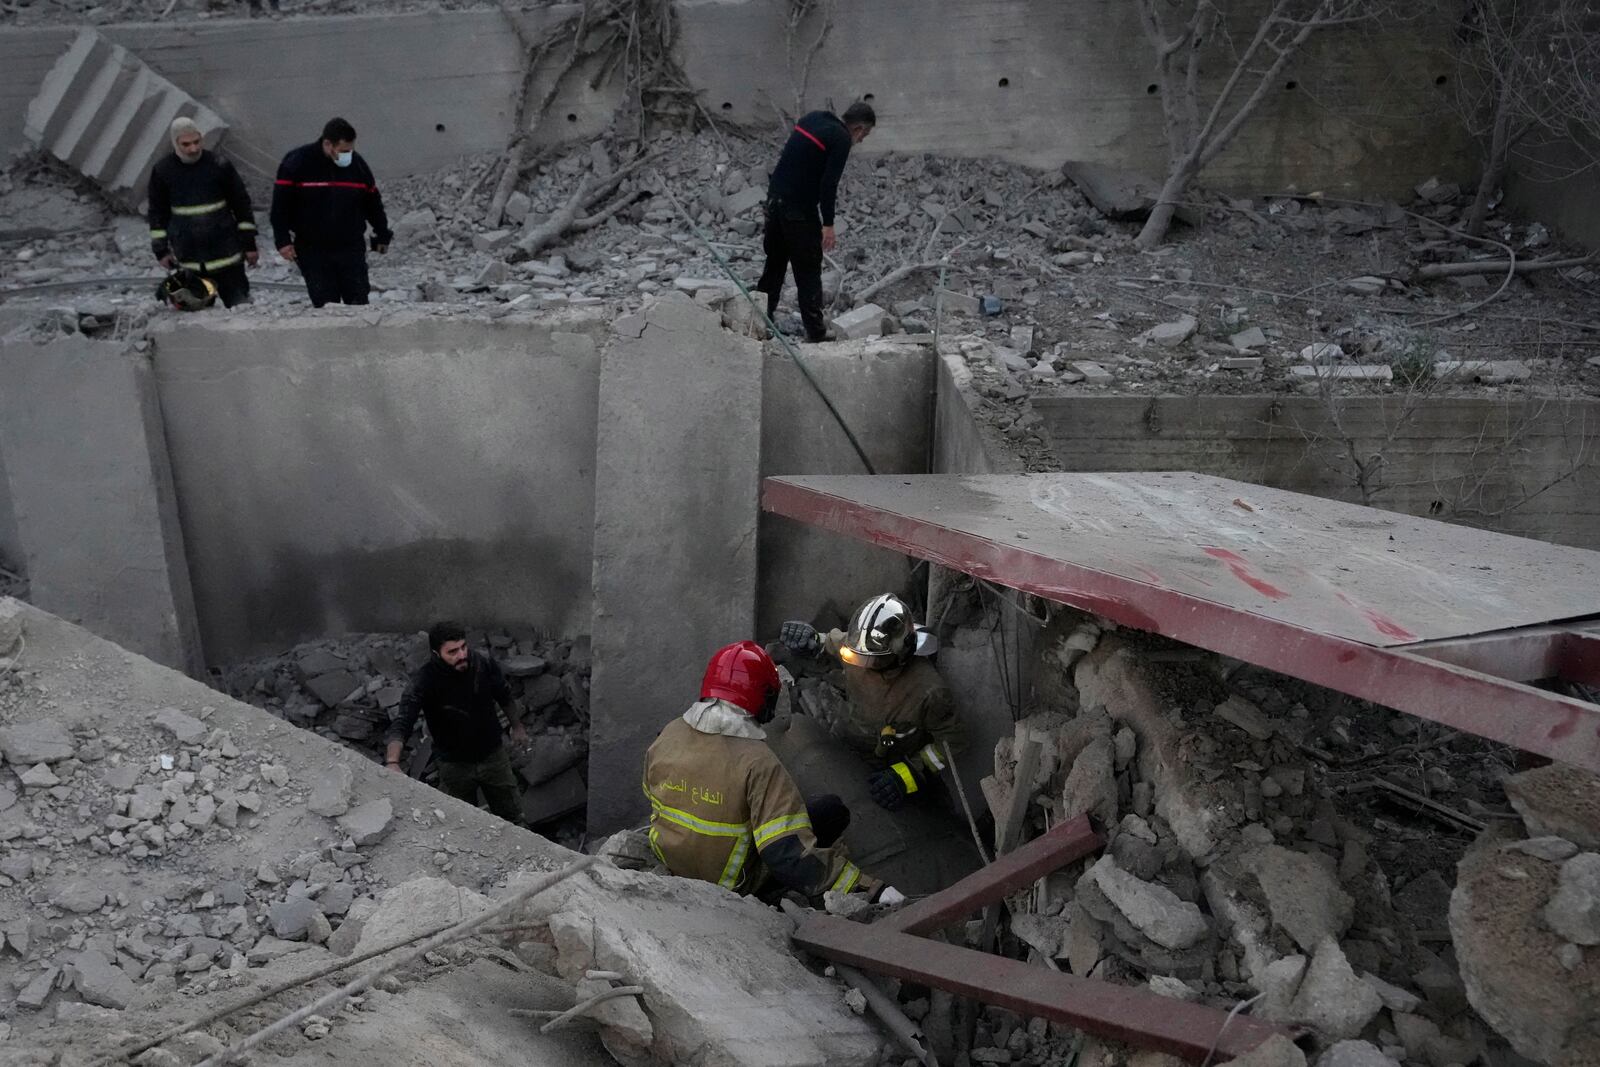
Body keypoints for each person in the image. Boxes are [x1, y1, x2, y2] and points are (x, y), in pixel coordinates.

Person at [643, 640, 903, 905]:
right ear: (761, 696)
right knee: (830, 812)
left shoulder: (668, 735)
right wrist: (869, 889)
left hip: (673, 861)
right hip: (730, 882)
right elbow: (787, 855)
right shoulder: (758, 763)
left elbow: (654, 797)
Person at [780, 593, 965, 812]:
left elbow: (954, 742)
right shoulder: (859, 648)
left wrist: (907, 774)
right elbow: (828, 645)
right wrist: (809, 641)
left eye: (871, 659)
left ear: (901, 651)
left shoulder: (929, 691)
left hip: (891, 761)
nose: (861, 664)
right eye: (857, 656)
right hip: (850, 738)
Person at [385, 621, 529, 825]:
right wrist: (392, 762)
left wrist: (518, 727)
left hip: (493, 756)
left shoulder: (482, 663)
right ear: (436, 654)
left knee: (514, 817)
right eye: (452, 652)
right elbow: (402, 723)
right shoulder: (424, 681)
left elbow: (504, 696)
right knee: (459, 824)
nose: (461, 655)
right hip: (453, 765)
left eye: (463, 647)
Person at [756, 102, 876, 343]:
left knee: (775, 263)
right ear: (859, 128)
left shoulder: (815, 118)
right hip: (798, 210)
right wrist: (828, 224)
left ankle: (759, 319)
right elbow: (828, 184)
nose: (861, 141)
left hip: (775, 201)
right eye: (865, 135)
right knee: (809, 269)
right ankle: (816, 332)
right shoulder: (841, 138)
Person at [270, 117, 393, 307]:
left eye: (350, 150)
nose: (348, 155)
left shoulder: (357, 166)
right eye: (343, 151)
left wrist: (382, 234)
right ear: (328, 144)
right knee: (327, 305)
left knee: (358, 301)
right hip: (313, 250)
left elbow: (372, 203)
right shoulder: (297, 163)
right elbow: (280, 206)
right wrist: (282, 241)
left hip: (350, 247)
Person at [147, 117, 259, 308]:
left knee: (241, 309)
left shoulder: (218, 165)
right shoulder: (164, 171)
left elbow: (241, 205)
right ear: (175, 143)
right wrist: (161, 251)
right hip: (191, 263)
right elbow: (157, 213)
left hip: (228, 260)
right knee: (198, 318)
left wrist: (249, 245)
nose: (193, 149)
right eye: (186, 144)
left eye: (196, 142)